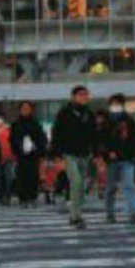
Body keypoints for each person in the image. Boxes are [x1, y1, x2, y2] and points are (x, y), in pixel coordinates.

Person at [50, 85, 100, 230]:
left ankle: (77, 212)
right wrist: (57, 155)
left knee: (80, 186)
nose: (83, 97)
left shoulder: (89, 115)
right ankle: (74, 216)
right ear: (73, 97)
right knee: (76, 182)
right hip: (68, 154)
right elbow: (56, 134)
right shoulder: (64, 113)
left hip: (84, 154)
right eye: (80, 95)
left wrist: (96, 154)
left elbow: (93, 136)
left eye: (86, 94)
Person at [98, 96, 135, 225]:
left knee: (129, 185)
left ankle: (134, 211)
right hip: (111, 160)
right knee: (111, 188)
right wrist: (106, 153)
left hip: (127, 158)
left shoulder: (129, 121)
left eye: (118, 104)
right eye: (113, 104)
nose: (115, 106)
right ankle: (109, 213)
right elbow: (101, 140)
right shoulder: (105, 123)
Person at [8, 101, 48, 207]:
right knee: (21, 176)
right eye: (23, 108)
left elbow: (42, 138)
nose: (25, 110)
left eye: (27, 108)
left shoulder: (36, 123)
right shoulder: (15, 124)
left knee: (33, 176)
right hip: (21, 155)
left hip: (33, 154)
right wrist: (19, 148)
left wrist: (37, 147)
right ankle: (23, 198)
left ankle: (32, 197)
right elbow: (12, 139)